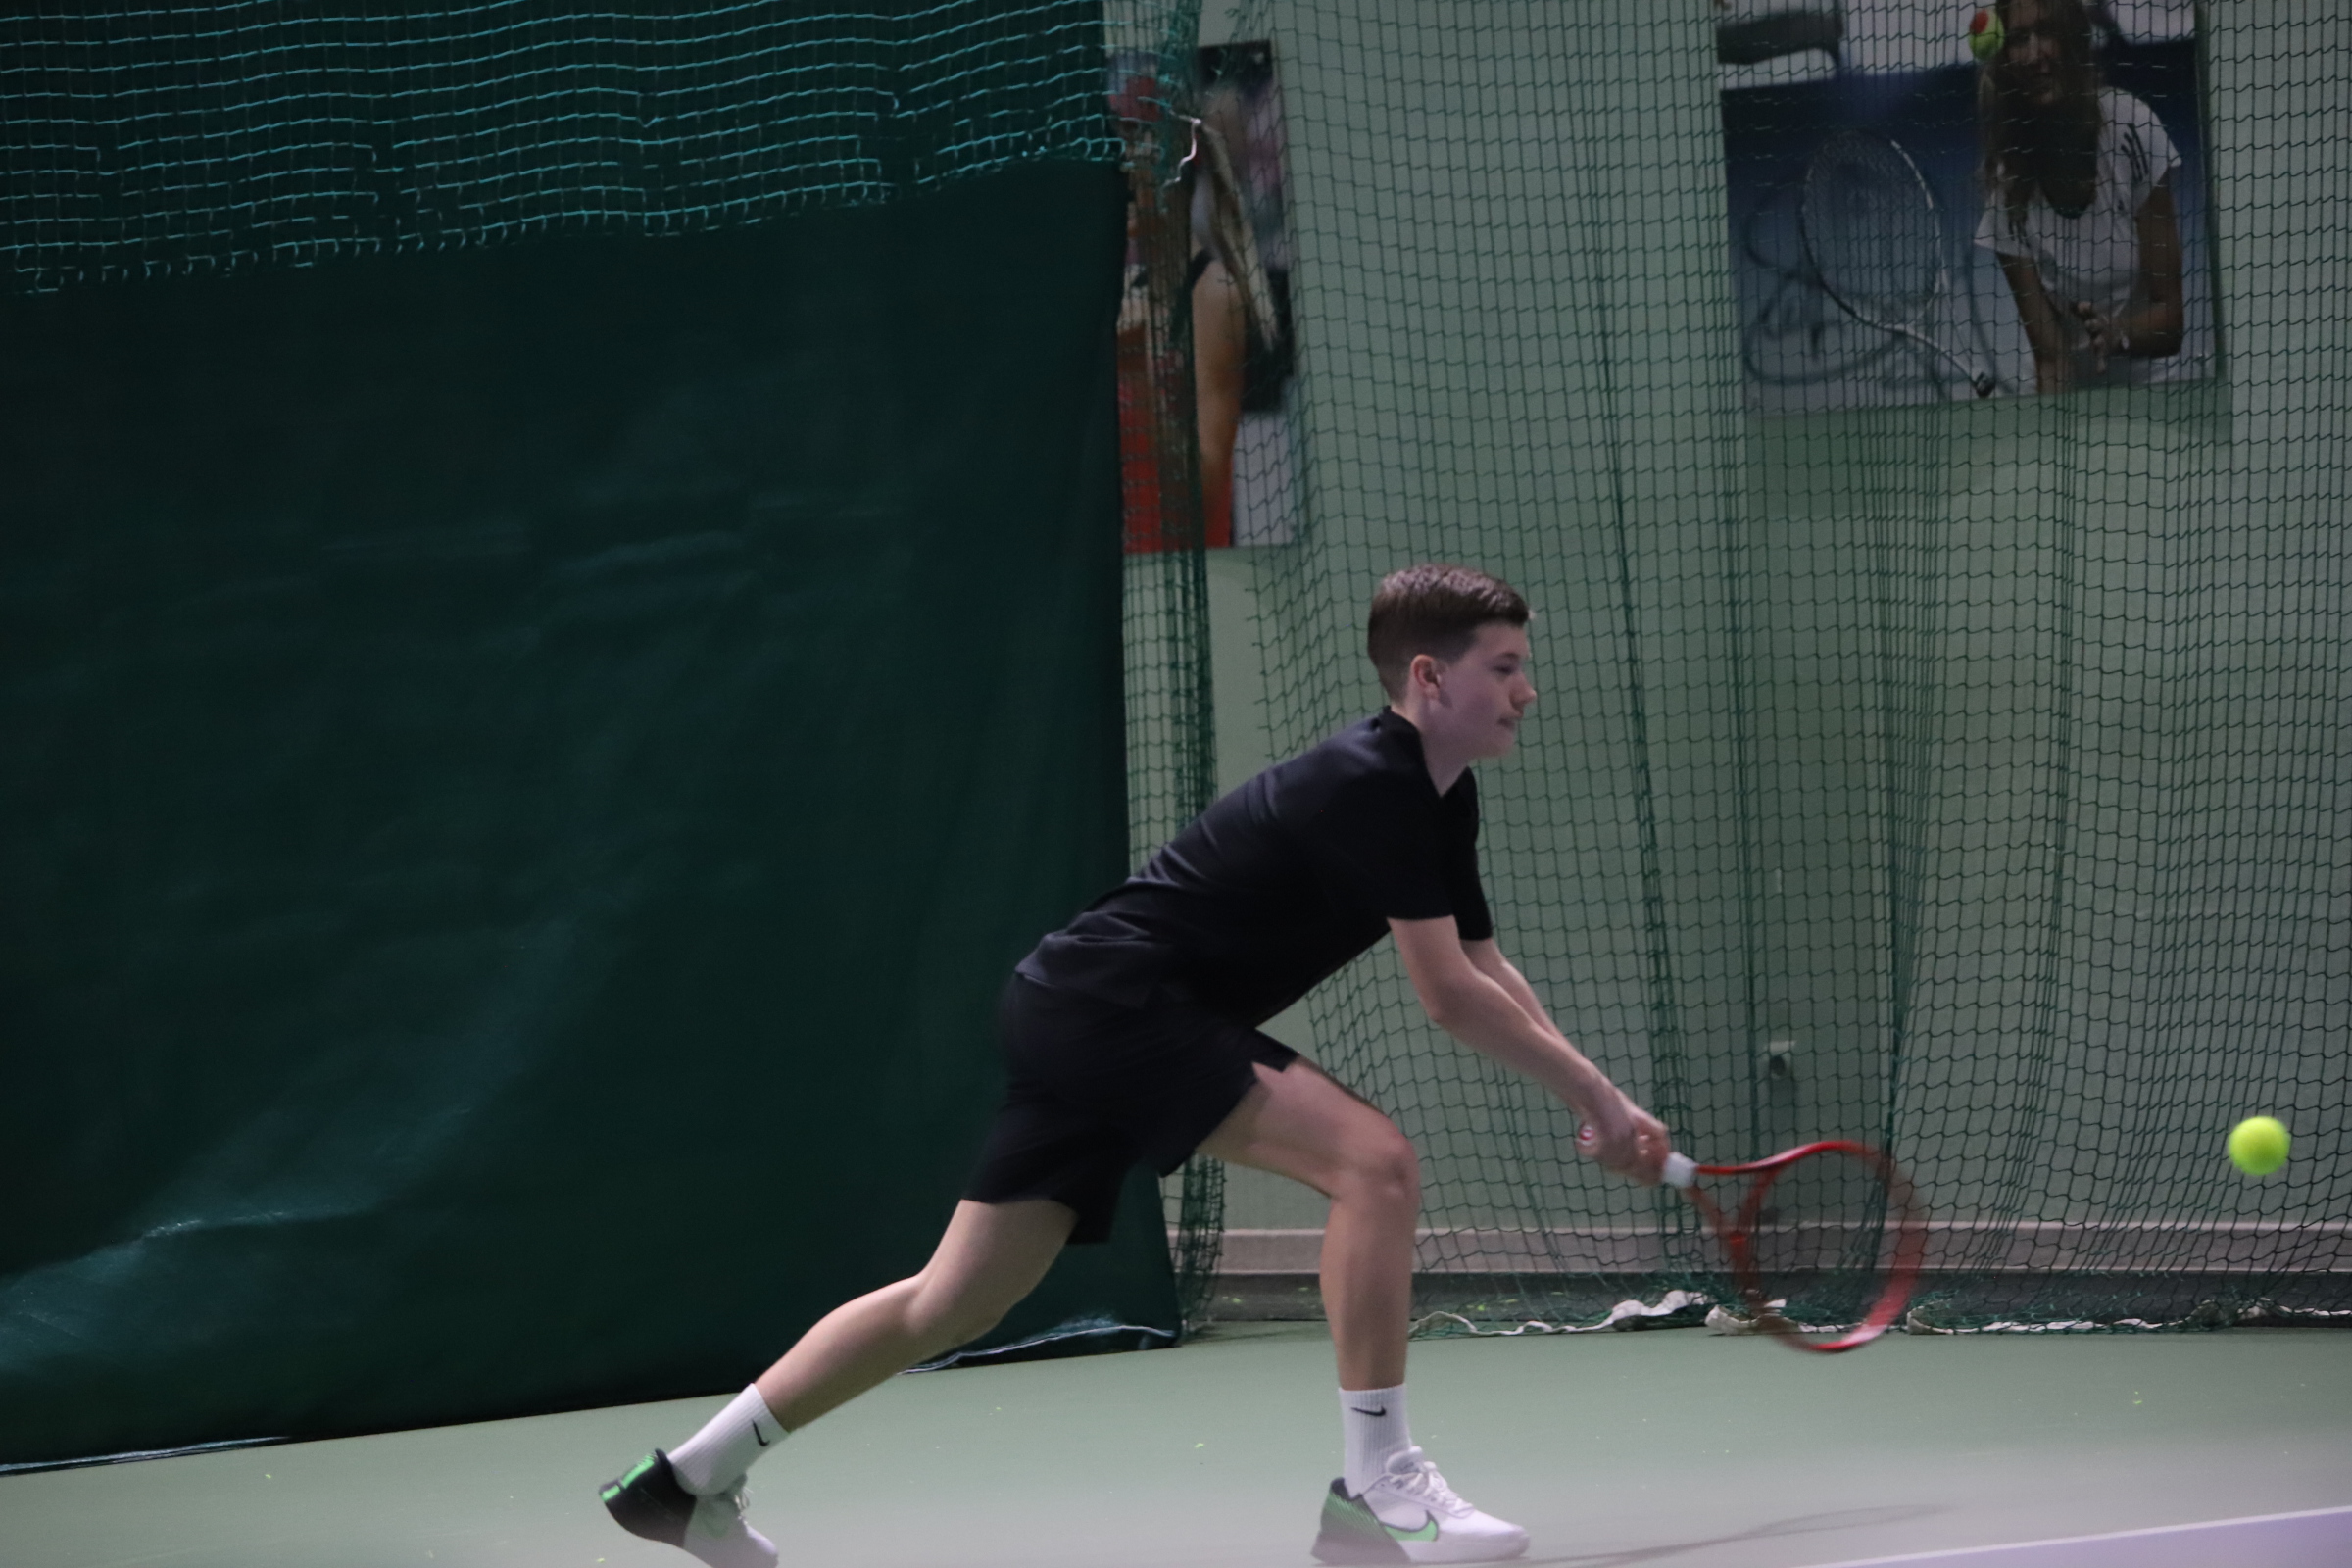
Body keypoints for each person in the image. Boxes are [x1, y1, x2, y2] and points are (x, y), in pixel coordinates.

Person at [599, 564, 1672, 1568]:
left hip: (1074, 1005)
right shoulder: (1375, 782)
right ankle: (1379, 1491)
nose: (1527, 690)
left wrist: (1608, 1100)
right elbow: (1446, 996)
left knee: (951, 1301)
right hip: (1117, 1003)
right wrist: (1591, 1096)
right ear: (1429, 677)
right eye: (1505, 667)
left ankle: (687, 1480)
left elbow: (1484, 966)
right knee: (1375, 1165)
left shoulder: (1439, 793)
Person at [1974, 0, 2184, 394]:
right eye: (2018, 39)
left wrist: (2118, 333)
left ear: (2073, 38)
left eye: (2047, 31)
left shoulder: (2131, 129)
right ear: (2005, 61)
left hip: (2151, 389)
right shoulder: (2008, 189)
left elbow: (2170, 320)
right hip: (2069, 398)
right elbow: (2051, 358)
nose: (2035, 55)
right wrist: (2056, 425)